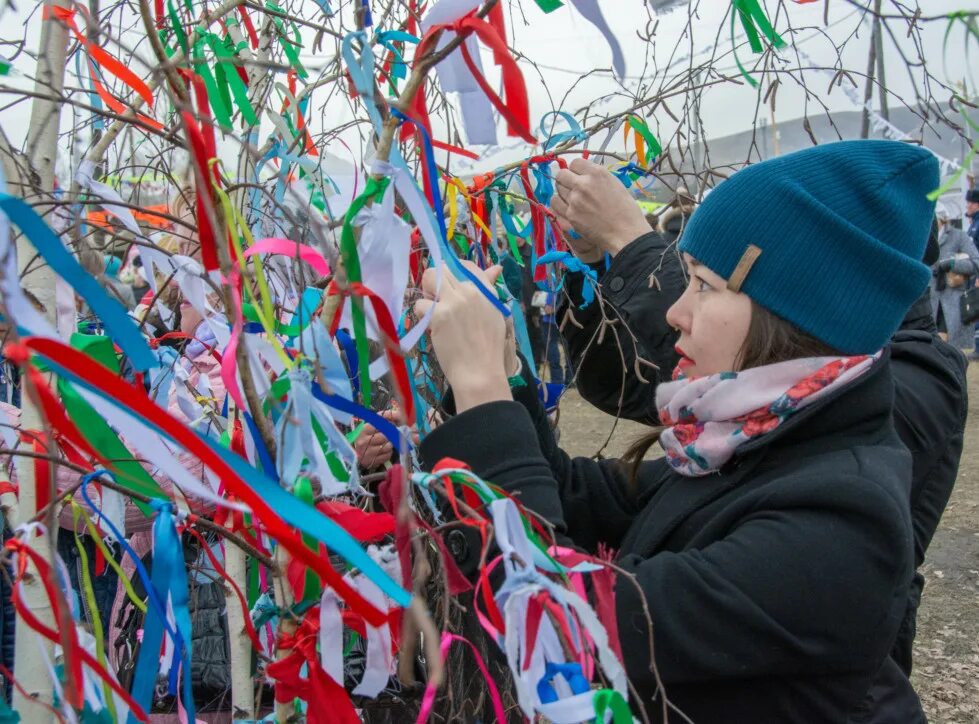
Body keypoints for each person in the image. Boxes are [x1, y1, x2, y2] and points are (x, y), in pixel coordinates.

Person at [414, 141, 935, 722]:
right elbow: (578, 495)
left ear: (792, 315)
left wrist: (480, 386)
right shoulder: (747, 441)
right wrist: (508, 374)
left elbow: (552, 624)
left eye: (704, 285)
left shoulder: (841, 525)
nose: (674, 313)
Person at [931, 208, 979, 351]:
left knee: (951, 351)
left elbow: (976, 263)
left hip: (953, 300)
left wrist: (953, 264)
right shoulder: (924, 237)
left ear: (941, 219)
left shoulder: (959, 236)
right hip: (929, 301)